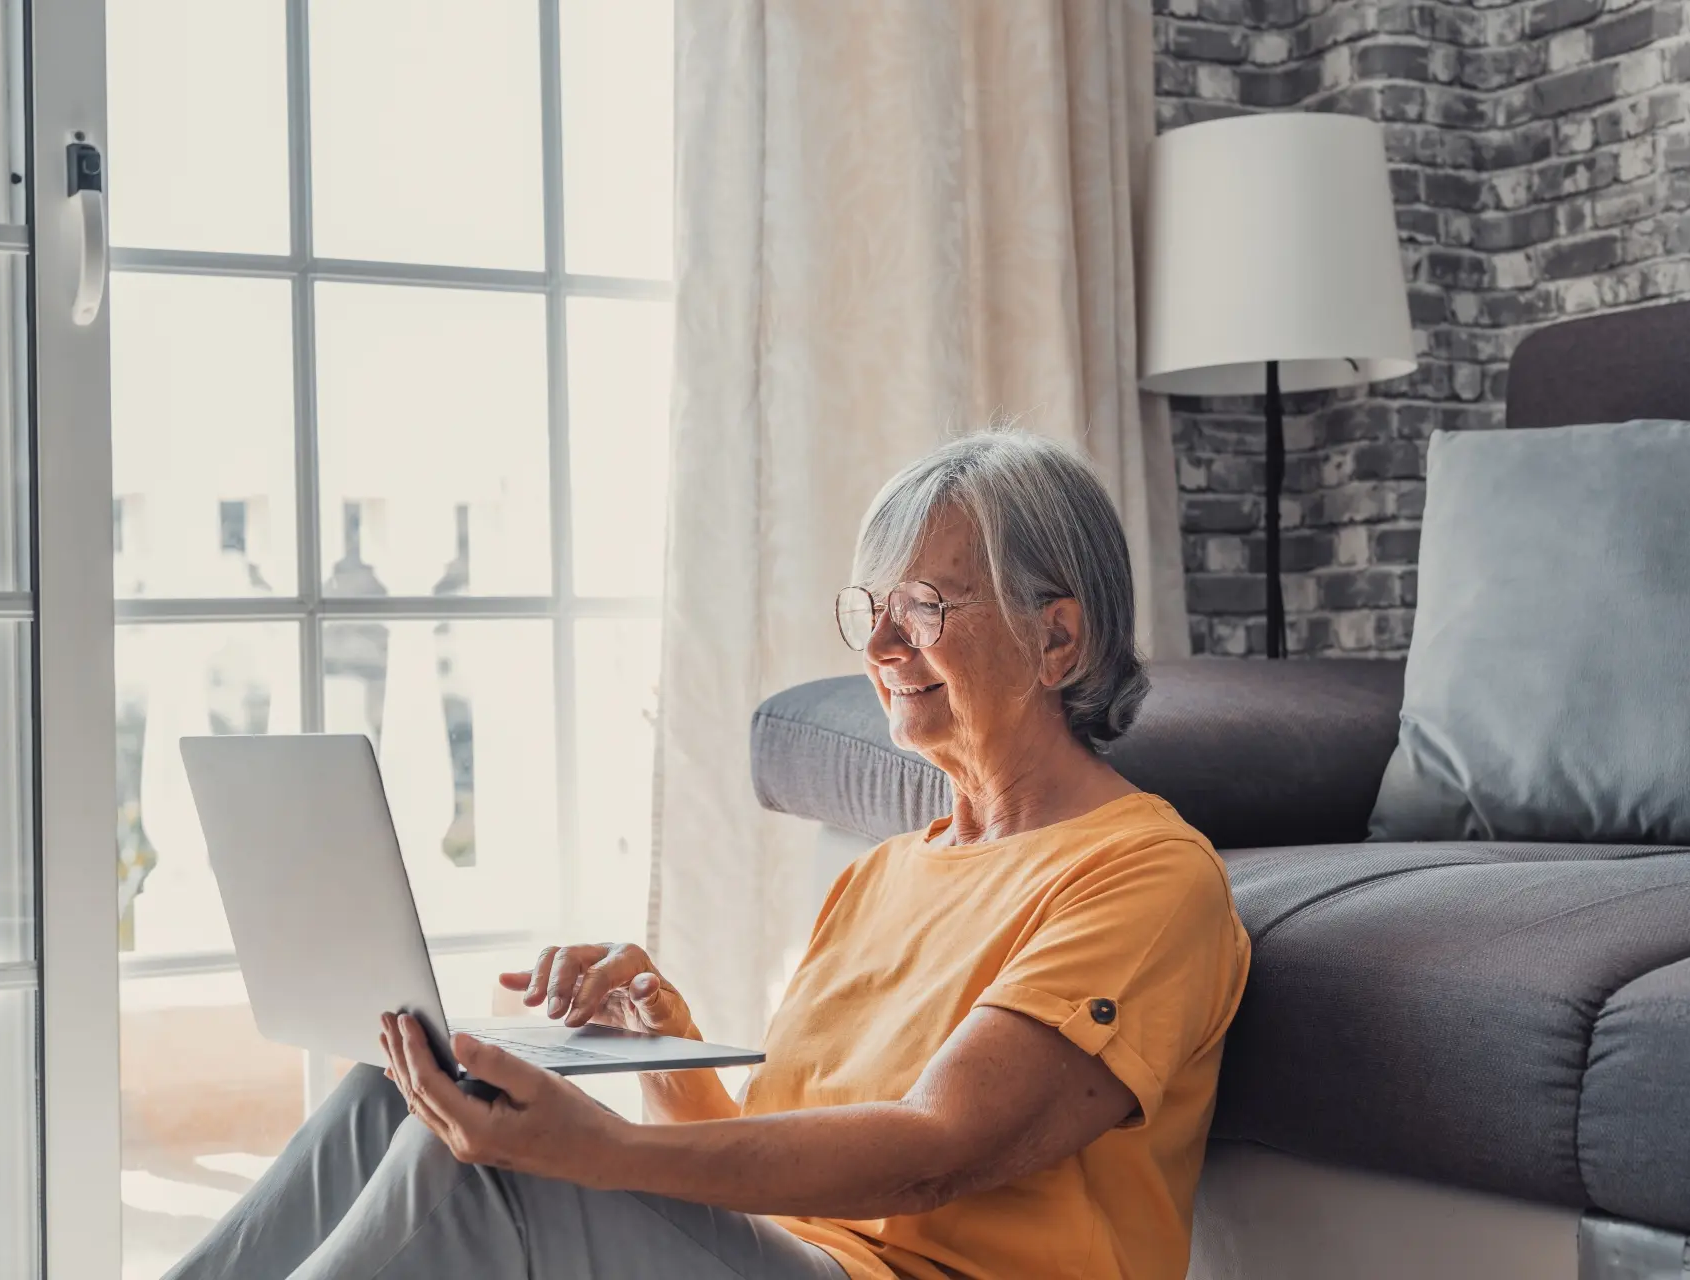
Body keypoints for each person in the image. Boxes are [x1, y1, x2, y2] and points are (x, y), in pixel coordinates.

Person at [167, 431, 1250, 1280]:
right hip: (802, 1256)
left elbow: (939, 1144)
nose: (878, 647)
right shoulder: (886, 871)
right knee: (391, 1097)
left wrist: (590, 1147)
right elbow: (786, 1160)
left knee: (480, 1180)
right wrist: (666, 1045)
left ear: (1057, 638)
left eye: (923, 607)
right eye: (871, 610)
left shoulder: (1146, 876)